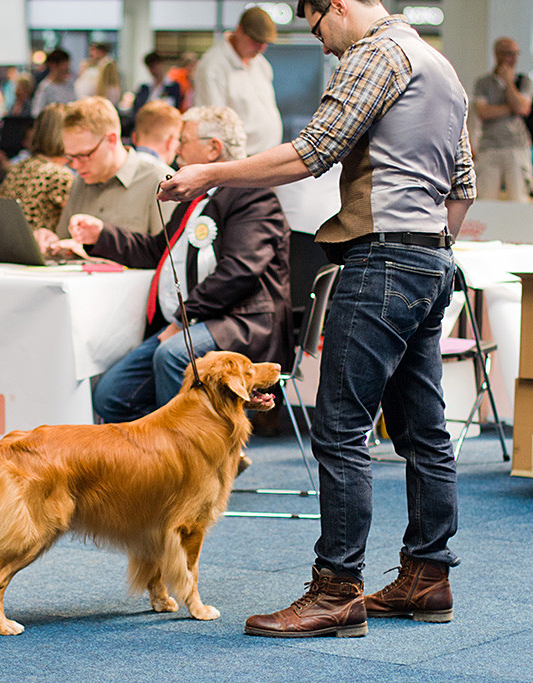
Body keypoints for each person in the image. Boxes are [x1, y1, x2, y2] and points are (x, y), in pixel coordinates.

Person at [159, 0, 475, 638]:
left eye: (317, 27)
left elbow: (313, 152)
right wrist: (427, 250)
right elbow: (461, 187)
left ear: (337, 5)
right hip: (430, 259)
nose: (324, 45)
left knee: (339, 428)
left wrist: (209, 175)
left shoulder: (376, 52)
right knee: (424, 432)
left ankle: (336, 591)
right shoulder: (439, 64)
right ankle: (427, 576)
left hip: (382, 262)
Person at [66, 106, 290, 423]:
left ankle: (192, 448)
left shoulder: (252, 195)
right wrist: (101, 235)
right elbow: (157, 251)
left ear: (213, 148)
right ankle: (178, 441)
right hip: (194, 319)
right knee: (111, 395)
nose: (177, 149)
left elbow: (239, 272)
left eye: (183, 141)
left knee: (172, 355)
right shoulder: (197, 197)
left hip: (242, 321)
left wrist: (185, 317)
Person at [53, 96, 174, 240]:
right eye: (70, 158)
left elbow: (168, 251)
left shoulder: (158, 181)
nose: (76, 166)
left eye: (84, 155)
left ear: (111, 140)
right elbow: (63, 239)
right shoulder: (81, 180)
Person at [194, 6, 282, 155]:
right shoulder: (213, 66)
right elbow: (213, 123)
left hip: (268, 152)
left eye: (265, 43)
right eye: (256, 41)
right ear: (239, 30)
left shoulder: (260, 63)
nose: (261, 48)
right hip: (241, 157)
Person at [0, 104, 74, 235]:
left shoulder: (20, 166)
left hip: (7, 240)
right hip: (39, 245)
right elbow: (76, 221)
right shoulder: (59, 175)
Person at [474, 37, 533, 202]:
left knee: (519, 198)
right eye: (506, 53)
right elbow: (483, 112)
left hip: (516, 146)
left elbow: (523, 108)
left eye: (514, 54)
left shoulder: (523, 81)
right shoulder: (483, 83)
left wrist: (508, 82)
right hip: (489, 147)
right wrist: (513, 107)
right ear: (497, 54)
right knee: (486, 199)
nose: (510, 58)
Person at [131, 100, 182, 166]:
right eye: (178, 139)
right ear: (171, 142)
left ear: (134, 137)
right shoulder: (168, 172)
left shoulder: (120, 167)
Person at [31, 49, 76, 116]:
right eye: (63, 64)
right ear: (53, 65)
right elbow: (37, 112)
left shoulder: (70, 84)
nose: (67, 67)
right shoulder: (45, 88)